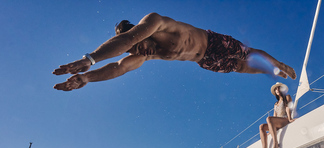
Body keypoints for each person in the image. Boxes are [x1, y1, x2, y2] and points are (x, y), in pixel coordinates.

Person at [53, 13, 296, 91]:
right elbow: (119, 67)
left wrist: (90, 59)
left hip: (213, 43)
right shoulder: (143, 53)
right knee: (241, 68)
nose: (140, 51)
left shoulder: (156, 22)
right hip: (206, 62)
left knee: (248, 54)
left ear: (140, 33)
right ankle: (271, 70)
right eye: (135, 50)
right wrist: (86, 77)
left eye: (138, 45)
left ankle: (279, 64)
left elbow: (128, 40)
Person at [260, 82, 295, 148]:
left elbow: (287, 108)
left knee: (268, 118)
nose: (277, 90)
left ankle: (275, 144)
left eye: (279, 88)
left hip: (285, 120)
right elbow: (274, 116)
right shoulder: (275, 104)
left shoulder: (287, 97)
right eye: (276, 89)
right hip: (278, 122)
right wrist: (271, 129)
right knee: (261, 126)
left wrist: (289, 119)